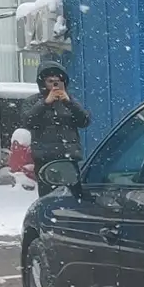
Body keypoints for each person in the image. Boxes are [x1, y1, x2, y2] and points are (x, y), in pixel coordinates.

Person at [22, 61, 90, 196]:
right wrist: (45, 103)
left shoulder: (69, 100)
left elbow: (84, 121)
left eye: (58, 81)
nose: (54, 85)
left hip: (69, 158)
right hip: (45, 159)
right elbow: (28, 121)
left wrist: (69, 103)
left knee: (74, 196)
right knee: (48, 197)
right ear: (43, 83)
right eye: (50, 81)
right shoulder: (32, 101)